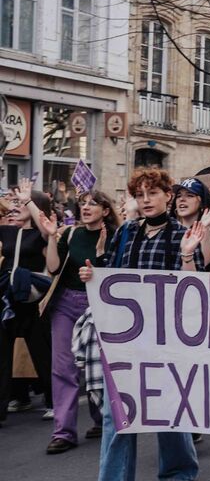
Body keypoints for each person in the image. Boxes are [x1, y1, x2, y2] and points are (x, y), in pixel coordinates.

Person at [82, 167, 202, 481]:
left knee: (166, 403)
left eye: (153, 193)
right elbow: (112, 274)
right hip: (124, 336)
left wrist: (187, 255)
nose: (146, 200)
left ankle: (179, 467)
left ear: (168, 196)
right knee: (116, 412)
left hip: (165, 336)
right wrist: (93, 274)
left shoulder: (181, 235)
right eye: (140, 194)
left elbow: (192, 290)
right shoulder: (126, 233)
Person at [31, 190, 117, 453]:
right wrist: (52, 236)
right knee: (63, 368)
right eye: (82, 203)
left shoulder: (115, 236)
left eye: (93, 203)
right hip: (66, 303)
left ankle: (102, 419)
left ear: (105, 211)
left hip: (99, 305)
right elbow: (53, 268)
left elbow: (117, 272)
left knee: (98, 366)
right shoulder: (71, 233)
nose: (86, 207)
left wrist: (97, 269)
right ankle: (64, 432)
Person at [1, 180, 55, 421]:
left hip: (33, 300)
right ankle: (3, 406)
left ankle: (53, 401)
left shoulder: (41, 234)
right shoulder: (7, 231)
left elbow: (46, 229)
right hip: (9, 299)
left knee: (41, 352)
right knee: (3, 354)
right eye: (15, 203)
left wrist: (29, 201)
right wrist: (12, 203)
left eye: (20, 204)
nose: (16, 207)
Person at [173, 177, 210, 272]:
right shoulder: (169, 229)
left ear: (201, 202)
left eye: (190, 195)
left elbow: (209, 265)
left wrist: (205, 228)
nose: (182, 199)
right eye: (179, 196)